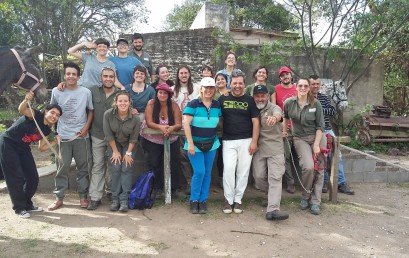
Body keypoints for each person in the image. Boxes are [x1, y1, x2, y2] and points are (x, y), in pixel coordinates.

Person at [0, 91, 61, 218]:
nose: (54, 116)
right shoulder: (35, 115)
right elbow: (22, 108)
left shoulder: (46, 129)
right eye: (52, 112)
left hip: (23, 148)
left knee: (33, 176)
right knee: (16, 177)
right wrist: (26, 99)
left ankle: (27, 204)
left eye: (57, 115)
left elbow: (41, 148)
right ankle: (19, 208)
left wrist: (55, 141)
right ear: (46, 111)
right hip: (8, 143)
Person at [48, 62, 94, 211]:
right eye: (68, 74)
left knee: (83, 168)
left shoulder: (85, 92)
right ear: (64, 76)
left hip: (81, 136)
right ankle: (59, 198)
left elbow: (91, 111)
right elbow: (51, 112)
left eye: (74, 74)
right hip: (63, 136)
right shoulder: (56, 91)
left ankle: (83, 196)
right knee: (62, 167)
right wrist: (53, 133)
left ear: (78, 76)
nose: (71, 76)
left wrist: (86, 127)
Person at [283, 78, 326, 215]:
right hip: (299, 137)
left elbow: (320, 126)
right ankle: (305, 196)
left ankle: (315, 201)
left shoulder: (316, 104)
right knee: (308, 167)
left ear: (308, 88)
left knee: (319, 169)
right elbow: (285, 117)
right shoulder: (289, 103)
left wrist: (317, 145)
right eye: (300, 85)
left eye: (305, 86)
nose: (303, 88)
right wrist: (285, 131)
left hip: (317, 137)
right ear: (296, 87)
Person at [219, 70, 260, 214]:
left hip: (246, 140)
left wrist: (254, 142)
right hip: (228, 140)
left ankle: (238, 200)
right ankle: (228, 200)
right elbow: (218, 118)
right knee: (229, 170)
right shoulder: (222, 99)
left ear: (244, 84)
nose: (237, 86)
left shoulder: (249, 100)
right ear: (230, 84)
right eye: (235, 83)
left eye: (240, 83)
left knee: (243, 172)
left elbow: (255, 122)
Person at [309, 75, 355, 195]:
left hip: (327, 129)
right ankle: (323, 181)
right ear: (309, 85)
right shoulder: (305, 98)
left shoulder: (324, 97)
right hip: (313, 131)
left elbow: (332, 111)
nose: (315, 86)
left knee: (336, 155)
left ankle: (341, 183)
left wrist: (319, 109)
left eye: (317, 84)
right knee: (321, 156)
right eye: (313, 84)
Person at [183, 77, 222, 214]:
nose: (209, 90)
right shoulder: (193, 104)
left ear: (214, 90)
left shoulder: (217, 105)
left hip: (211, 143)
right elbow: (186, 124)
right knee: (199, 172)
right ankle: (194, 200)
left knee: (207, 173)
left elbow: (220, 121)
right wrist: (191, 144)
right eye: (206, 87)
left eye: (211, 88)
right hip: (195, 145)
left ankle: (203, 200)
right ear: (201, 89)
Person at [251, 85, 289, 221]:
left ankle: (273, 209)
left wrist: (275, 118)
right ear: (253, 97)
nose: (260, 98)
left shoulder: (274, 108)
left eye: (263, 95)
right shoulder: (251, 108)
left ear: (267, 96)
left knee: (275, 177)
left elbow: (279, 115)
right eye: (257, 96)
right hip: (259, 148)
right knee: (258, 176)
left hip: (275, 148)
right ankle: (271, 195)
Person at [140, 83, 182, 195]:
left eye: (165, 93)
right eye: (160, 92)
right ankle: (157, 187)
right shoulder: (151, 104)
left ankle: (174, 188)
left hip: (171, 137)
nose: (162, 95)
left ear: (169, 95)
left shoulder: (174, 106)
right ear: (157, 93)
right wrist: (161, 127)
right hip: (153, 138)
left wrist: (172, 128)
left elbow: (178, 123)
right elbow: (149, 122)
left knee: (175, 161)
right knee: (154, 162)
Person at [87, 67, 119, 210]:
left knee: (113, 165)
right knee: (98, 165)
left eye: (111, 76)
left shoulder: (120, 94)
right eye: (105, 76)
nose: (108, 79)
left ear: (114, 78)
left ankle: (111, 192)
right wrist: (61, 85)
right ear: (101, 78)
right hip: (97, 134)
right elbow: (75, 88)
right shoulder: (92, 91)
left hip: (114, 137)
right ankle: (95, 196)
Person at [104, 91, 140, 212]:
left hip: (129, 145)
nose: (123, 103)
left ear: (129, 102)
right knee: (115, 167)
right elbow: (108, 135)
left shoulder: (135, 118)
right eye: (120, 101)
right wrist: (115, 151)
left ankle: (124, 199)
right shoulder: (108, 115)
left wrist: (128, 153)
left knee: (126, 167)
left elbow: (134, 138)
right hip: (113, 144)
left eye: (125, 101)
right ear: (116, 102)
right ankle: (115, 199)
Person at [172, 66, 200, 194]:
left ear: (189, 74)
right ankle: (189, 182)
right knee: (183, 156)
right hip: (180, 128)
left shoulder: (197, 88)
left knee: (195, 155)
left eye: (186, 73)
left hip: (195, 127)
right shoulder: (173, 90)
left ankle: (197, 181)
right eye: (181, 73)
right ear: (178, 75)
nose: (183, 75)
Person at [272, 66, 297, 194]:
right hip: (284, 127)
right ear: (280, 78)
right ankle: (290, 182)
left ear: (291, 75)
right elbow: (274, 108)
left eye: (287, 74)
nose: (285, 77)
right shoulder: (275, 89)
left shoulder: (298, 88)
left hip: (299, 128)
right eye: (282, 75)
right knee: (285, 156)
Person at [213, 73, 230, 188]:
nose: (220, 81)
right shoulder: (213, 94)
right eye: (218, 80)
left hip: (229, 128)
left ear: (226, 81)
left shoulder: (231, 93)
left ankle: (228, 179)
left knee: (227, 156)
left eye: (222, 79)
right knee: (217, 156)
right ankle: (220, 178)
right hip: (215, 130)